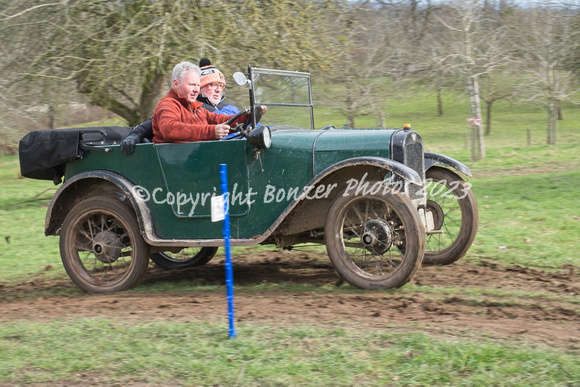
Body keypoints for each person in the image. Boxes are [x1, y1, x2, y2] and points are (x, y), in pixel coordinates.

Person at [121, 59, 256, 153]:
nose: (196, 89)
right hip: (177, 163)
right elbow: (170, 129)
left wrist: (249, 116)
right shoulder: (168, 105)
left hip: (197, 159)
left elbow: (220, 120)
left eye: (198, 85)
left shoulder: (195, 108)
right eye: (192, 85)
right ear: (176, 84)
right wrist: (212, 132)